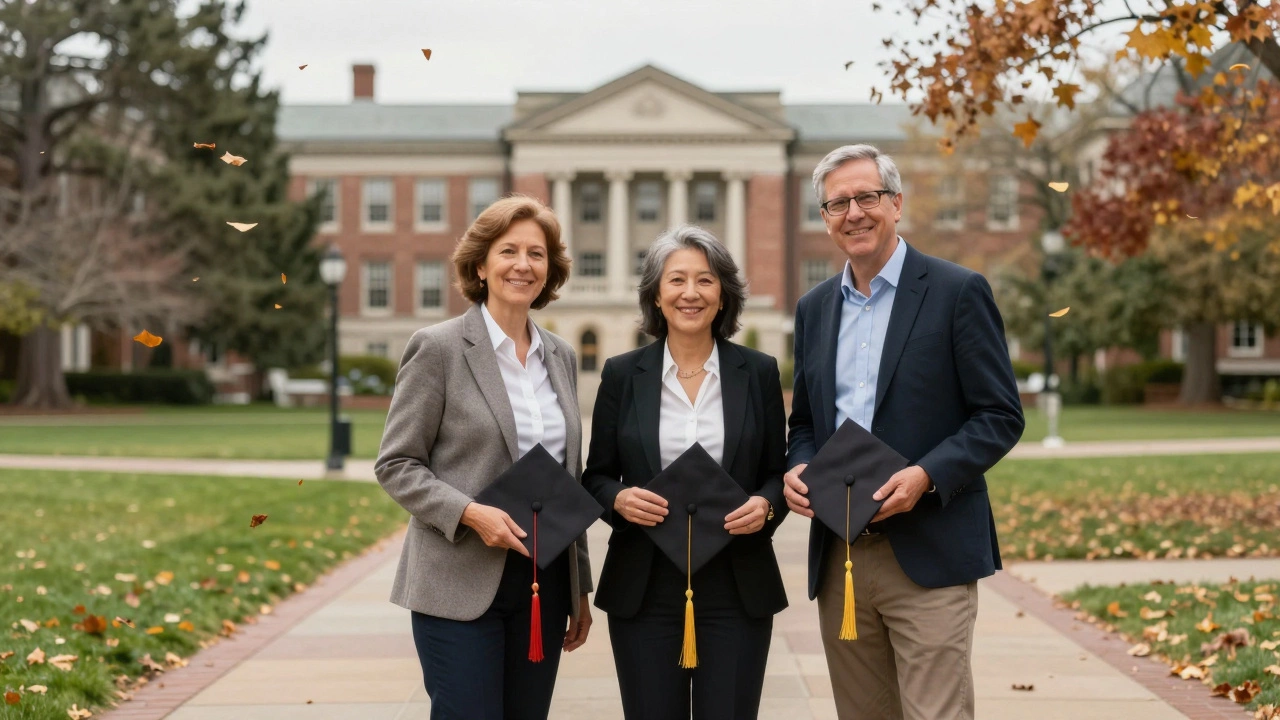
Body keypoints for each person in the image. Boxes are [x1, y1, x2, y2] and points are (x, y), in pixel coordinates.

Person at [783, 144, 1025, 720]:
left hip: (929, 548)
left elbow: (1000, 415)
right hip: (841, 554)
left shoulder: (957, 291)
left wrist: (926, 475)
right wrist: (797, 465)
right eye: (837, 203)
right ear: (824, 217)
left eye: (866, 197)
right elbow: (805, 424)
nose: (854, 213)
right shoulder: (814, 308)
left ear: (896, 204)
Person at [375, 195, 593, 720]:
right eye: (509, 251)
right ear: (480, 264)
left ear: (551, 270)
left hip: (542, 586)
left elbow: (567, 481)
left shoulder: (560, 356)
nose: (523, 265)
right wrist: (471, 513)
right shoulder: (439, 348)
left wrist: (579, 586)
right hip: (458, 581)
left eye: (537, 254)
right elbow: (397, 464)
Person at [582, 224, 788, 720]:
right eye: (676, 280)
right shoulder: (621, 373)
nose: (690, 293)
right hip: (644, 587)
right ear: (656, 294)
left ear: (724, 296)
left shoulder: (758, 372)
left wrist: (766, 506)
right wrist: (618, 501)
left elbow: (777, 474)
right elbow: (596, 476)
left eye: (706, 280)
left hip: (738, 586)